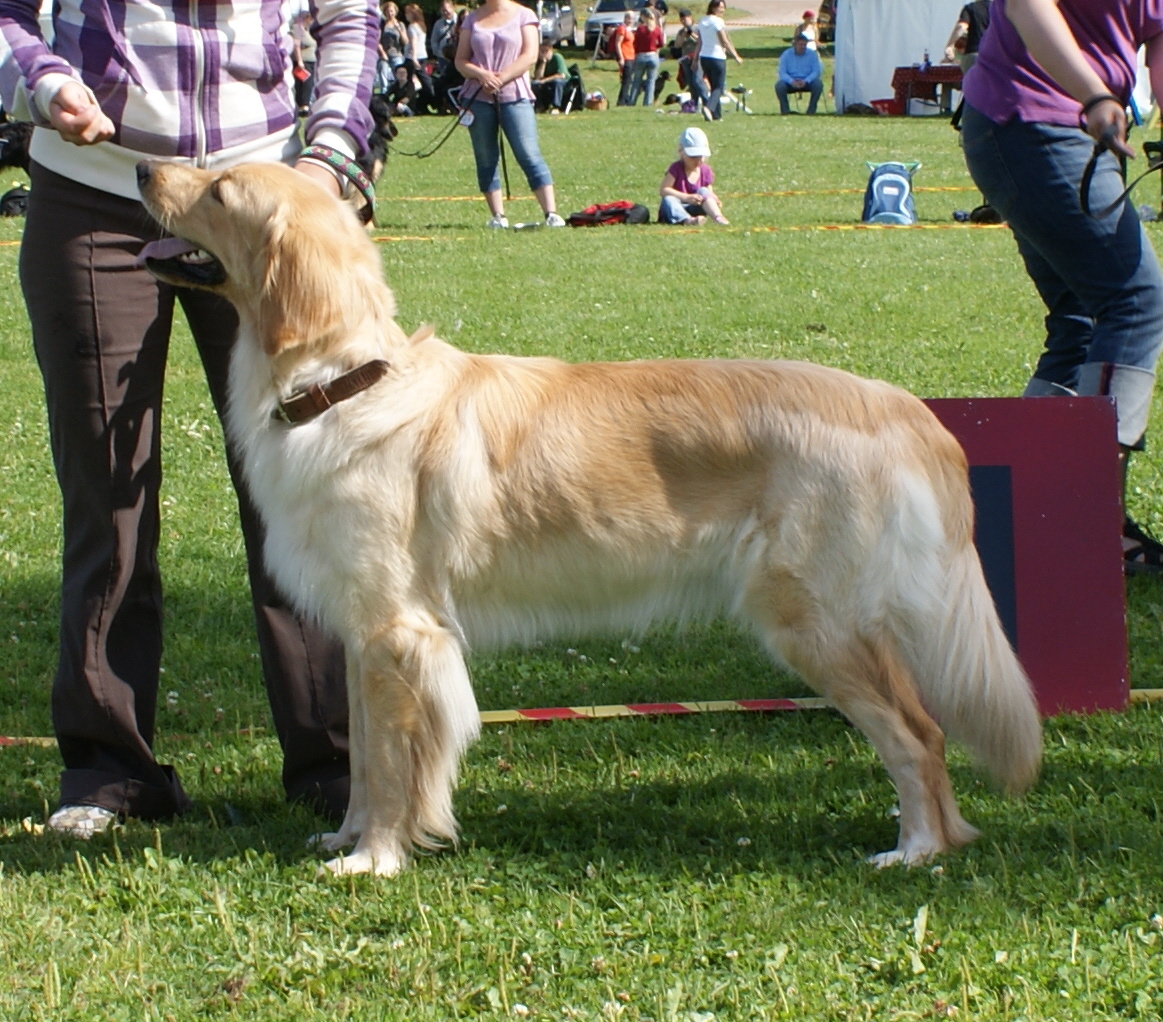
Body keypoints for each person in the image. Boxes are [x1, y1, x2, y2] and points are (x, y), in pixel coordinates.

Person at [0, 0, 379, 837]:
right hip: (95, 187)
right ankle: (108, 771)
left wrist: (328, 156)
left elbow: (350, 17)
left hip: (266, 200)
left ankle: (337, 761)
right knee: (107, 494)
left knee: (309, 492)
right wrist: (45, 78)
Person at [960, 0, 1163, 573]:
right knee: (1134, 300)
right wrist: (1094, 93)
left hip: (1089, 132)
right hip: (1029, 123)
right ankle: (1084, 517)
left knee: (1083, 318)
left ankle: (1021, 507)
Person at [454, 0, 564, 228]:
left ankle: (551, 213)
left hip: (516, 96)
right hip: (477, 98)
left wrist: (501, 78)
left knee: (528, 154)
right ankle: (498, 216)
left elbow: (530, 55)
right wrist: (481, 75)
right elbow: (460, 60)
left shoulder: (525, 15)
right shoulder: (472, 18)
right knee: (486, 158)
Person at [657, 126, 729, 226]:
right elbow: (663, 190)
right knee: (668, 199)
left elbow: (708, 190)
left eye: (701, 156)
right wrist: (686, 197)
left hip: (696, 208)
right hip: (675, 209)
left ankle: (717, 216)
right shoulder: (676, 169)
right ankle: (687, 220)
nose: (698, 160)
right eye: (693, 157)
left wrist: (713, 199)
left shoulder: (705, 170)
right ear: (681, 153)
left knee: (704, 191)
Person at [697, 0, 742, 121]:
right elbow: (725, 41)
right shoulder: (718, 21)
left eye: (723, 7)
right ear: (712, 8)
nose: (722, 10)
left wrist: (695, 59)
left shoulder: (702, 21)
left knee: (713, 87)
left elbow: (700, 42)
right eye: (719, 7)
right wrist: (736, 56)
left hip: (704, 57)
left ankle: (716, 115)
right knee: (718, 87)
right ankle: (708, 108)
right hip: (717, 57)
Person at [775, 32, 823, 114]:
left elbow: (816, 71)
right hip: (791, 82)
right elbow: (782, 72)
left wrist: (806, 81)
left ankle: (811, 111)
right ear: (794, 45)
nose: (802, 47)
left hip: (807, 82)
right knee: (779, 86)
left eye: (804, 45)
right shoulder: (786, 55)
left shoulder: (812, 55)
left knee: (818, 85)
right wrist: (791, 81)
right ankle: (785, 111)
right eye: (800, 44)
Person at [674, 8, 710, 112]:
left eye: (685, 19)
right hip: (686, 59)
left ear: (690, 18)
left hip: (697, 57)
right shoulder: (681, 31)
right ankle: (694, 104)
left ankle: (706, 102)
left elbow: (701, 41)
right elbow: (677, 45)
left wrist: (691, 34)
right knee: (691, 82)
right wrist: (682, 36)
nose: (684, 21)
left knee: (697, 80)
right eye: (682, 20)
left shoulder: (697, 28)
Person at [628, 8, 664, 106]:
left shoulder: (640, 29)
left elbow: (636, 43)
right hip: (653, 55)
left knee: (637, 80)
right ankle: (648, 102)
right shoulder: (657, 29)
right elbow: (661, 43)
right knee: (651, 81)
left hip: (641, 55)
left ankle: (632, 101)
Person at [943, 0, 992, 72]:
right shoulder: (999, 10)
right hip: (993, 55)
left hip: (973, 53)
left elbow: (961, 27)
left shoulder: (970, 8)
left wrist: (949, 45)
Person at [532, 40, 569, 112]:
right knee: (534, 84)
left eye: (546, 51)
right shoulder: (540, 61)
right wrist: (543, 63)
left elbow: (561, 75)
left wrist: (545, 80)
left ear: (551, 51)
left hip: (563, 83)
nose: (544, 53)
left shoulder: (557, 57)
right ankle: (540, 106)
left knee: (557, 82)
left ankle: (556, 107)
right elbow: (538, 77)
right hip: (547, 83)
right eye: (541, 51)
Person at [611, 12, 638, 106]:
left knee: (629, 80)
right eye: (629, 18)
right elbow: (618, 43)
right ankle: (621, 101)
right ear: (625, 18)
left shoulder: (629, 29)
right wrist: (621, 58)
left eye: (632, 19)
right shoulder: (622, 28)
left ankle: (626, 99)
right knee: (626, 80)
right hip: (625, 56)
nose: (630, 21)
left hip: (631, 56)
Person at [430, 0, 459, 73]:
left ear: (452, 8)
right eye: (442, 11)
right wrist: (439, 53)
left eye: (446, 10)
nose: (445, 13)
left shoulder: (460, 21)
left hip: (458, 56)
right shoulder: (438, 24)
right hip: (443, 57)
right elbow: (434, 41)